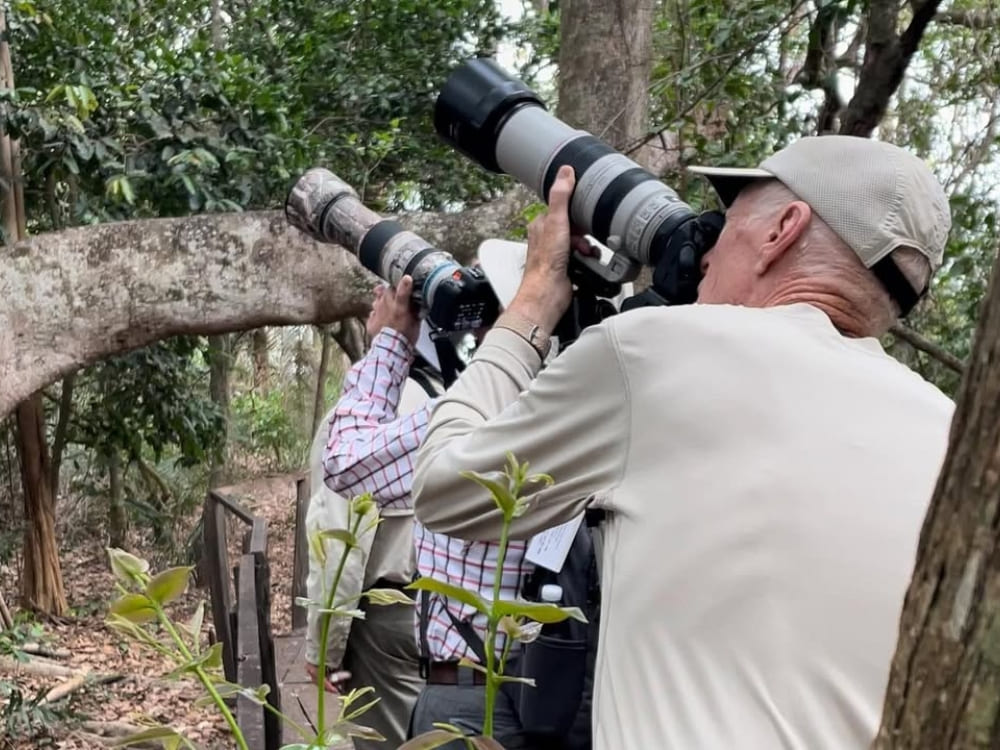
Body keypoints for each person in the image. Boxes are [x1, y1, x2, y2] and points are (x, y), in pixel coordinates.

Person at [410, 135, 956, 749]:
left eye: (725, 223)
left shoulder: (655, 353)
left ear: (783, 229)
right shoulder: (949, 429)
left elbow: (444, 491)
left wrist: (533, 301)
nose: (704, 250)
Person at [323, 259, 593, 749]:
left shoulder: (469, 423)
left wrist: (390, 342)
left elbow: (346, 463)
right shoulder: (594, 413)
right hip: (566, 699)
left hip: (466, 701)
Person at [303, 301, 436, 750]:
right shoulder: (460, 403)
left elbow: (339, 547)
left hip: (391, 620)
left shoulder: (356, 426)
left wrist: (323, 649)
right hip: (466, 613)